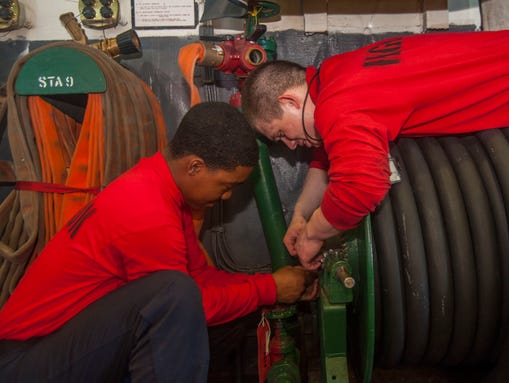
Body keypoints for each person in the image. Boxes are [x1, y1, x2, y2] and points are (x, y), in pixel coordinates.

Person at [0, 101, 318, 382]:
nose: (228, 195)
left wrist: (268, 285)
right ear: (194, 166)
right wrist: (270, 288)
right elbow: (185, 303)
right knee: (174, 294)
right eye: (225, 185)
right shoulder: (147, 209)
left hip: (68, 347)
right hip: (25, 362)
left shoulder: (163, 191)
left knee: (223, 315)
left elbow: (199, 279)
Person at [241, 29, 509, 270]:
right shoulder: (336, 73)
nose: (289, 144)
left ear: (289, 102)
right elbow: (327, 155)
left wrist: (313, 234)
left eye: (280, 133)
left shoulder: (338, 106)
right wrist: (301, 213)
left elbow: (361, 187)